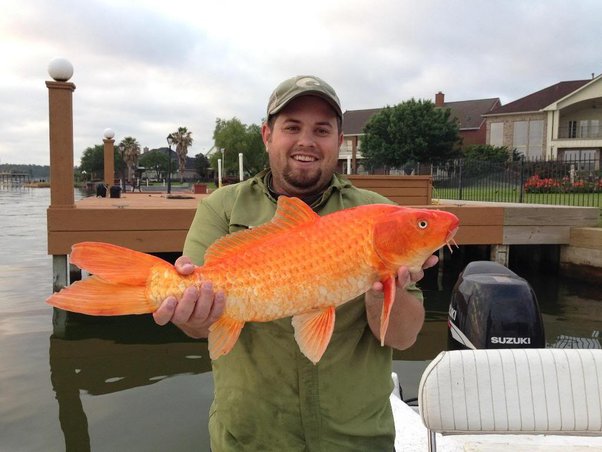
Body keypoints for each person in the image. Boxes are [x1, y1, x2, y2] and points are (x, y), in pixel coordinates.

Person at [153, 75, 437, 451]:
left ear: (339, 141)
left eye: (322, 129)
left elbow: (403, 337)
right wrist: (192, 316)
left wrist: (382, 289)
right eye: (292, 127)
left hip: (357, 440)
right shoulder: (222, 207)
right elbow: (198, 327)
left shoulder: (376, 214)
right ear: (267, 134)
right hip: (250, 439)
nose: (306, 141)